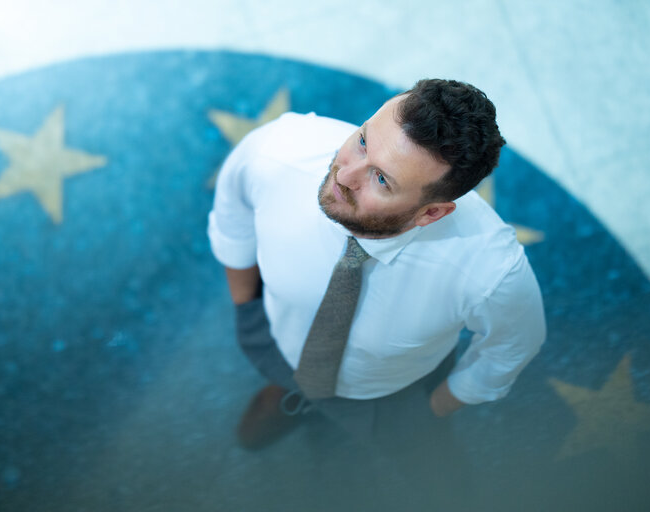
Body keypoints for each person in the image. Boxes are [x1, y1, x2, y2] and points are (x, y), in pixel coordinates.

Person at [207, 79, 546, 452]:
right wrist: (246, 310)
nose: (344, 175)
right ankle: (285, 398)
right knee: (262, 424)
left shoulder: (493, 274)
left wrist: (427, 412)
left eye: (381, 179)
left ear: (431, 212)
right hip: (279, 343)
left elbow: (509, 349)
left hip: (396, 394)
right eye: (363, 141)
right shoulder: (276, 152)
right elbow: (232, 218)